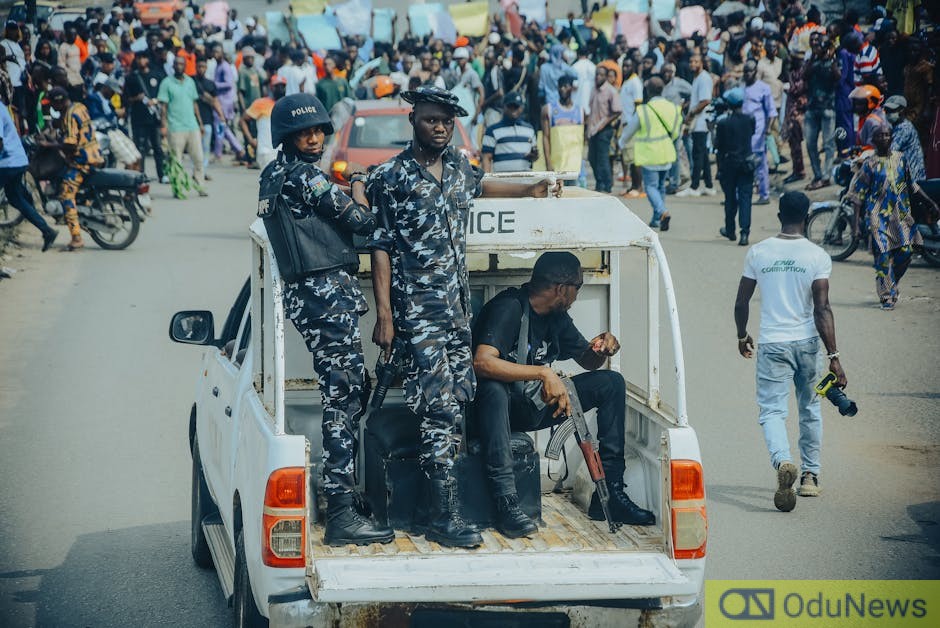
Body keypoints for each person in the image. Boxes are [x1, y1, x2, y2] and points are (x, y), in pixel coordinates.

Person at [366, 86, 561, 548]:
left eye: (447, 121)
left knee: (456, 407)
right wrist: (386, 317)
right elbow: (380, 249)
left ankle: (430, 509)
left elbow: (483, 185)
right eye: (432, 119)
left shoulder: (456, 166)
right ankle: (442, 516)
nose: (440, 127)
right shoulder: (392, 177)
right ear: (413, 119)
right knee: (439, 412)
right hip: (419, 316)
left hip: (456, 313)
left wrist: (528, 190)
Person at [257, 92, 393, 546]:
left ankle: (343, 497)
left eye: (318, 130)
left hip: (311, 298)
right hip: (325, 299)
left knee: (347, 392)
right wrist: (356, 186)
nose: (314, 138)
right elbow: (359, 220)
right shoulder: (304, 179)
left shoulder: (274, 175)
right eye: (304, 132)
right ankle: (340, 510)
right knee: (344, 397)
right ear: (287, 137)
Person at [471, 252, 656, 538]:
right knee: (493, 389)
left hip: (534, 404)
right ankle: (505, 501)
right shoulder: (509, 307)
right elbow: (482, 362)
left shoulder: (557, 318)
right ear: (561, 289)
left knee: (611, 383)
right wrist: (544, 373)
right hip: (494, 413)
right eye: (577, 288)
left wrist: (602, 347)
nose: (576, 296)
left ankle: (610, 493)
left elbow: (587, 361)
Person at [734, 191, 846, 511]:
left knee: (772, 411)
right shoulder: (817, 256)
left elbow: (742, 302)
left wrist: (742, 335)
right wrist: (834, 357)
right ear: (807, 216)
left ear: (779, 214)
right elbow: (822, 309)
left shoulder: (759, 252)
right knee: (810, 409)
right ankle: (810, 476)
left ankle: (783, 462)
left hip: (772, 343)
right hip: (807, 344)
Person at [847, 125, 937, 309]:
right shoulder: (869, 164)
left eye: (887, 135)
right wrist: (855, 226)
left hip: (901, 215)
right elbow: (857, 197)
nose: (884, 138)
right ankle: (887, 295)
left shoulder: (901, 159)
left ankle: (890, 281)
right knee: (883, 256)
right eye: (880, 135)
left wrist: (931, 203)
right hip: (877, 217)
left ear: (891, 137)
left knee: (906, 253)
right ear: (874, 140)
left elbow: (912, 186)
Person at [41, 87, 104, 251]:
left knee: (66, 194)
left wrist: (49, 144)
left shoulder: (69, 115)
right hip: (94, 154)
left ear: (60, 101)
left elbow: (70, 143)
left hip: (82, 160)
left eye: (53, 104)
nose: (52, 108)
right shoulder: (79, 107)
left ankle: (76, 237)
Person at [618, 77, 682, 230]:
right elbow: (677, 129)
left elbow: (629, 131)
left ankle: (662, 211)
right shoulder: (672, 107)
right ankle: (656, 219)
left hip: (649, 155)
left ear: (648, 91)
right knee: (660, 186)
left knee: (651, 187)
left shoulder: (644, 110)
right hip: (666, 153)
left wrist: (621, 143)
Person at [0, 105, 58, 250]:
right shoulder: (2, 107)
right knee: (15, 198)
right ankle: (47, 231)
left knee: (16, 197)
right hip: (17, 160)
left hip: (7, 163)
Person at [158, 55, 206, 195]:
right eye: (176, 64)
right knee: (176, 161)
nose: (179, 66)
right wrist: (164, 126)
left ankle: (200, 186)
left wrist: (200, 123)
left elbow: (194, 103)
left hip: (192, 126)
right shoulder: (166, 83)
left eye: (181, 64)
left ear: (185, 66)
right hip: (175, 127)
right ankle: (178, 188)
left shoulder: (190, 82)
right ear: (173, 66)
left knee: (198, 158)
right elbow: (164, 107)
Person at [715, 88, 756, 246]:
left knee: (730, 199)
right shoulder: (750, 119)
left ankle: (730, 229)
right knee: (746, 198)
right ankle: (744, 233)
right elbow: (751, 134)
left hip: (729, 164)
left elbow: (719, 146)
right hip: (746, 162)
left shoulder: (723, 122)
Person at [802, 35, 840, 191]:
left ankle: (826, 176)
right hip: (812, 108)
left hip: (828, 108)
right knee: (810, 143)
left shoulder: (832, 61)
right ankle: (818, 174)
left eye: (820, 44)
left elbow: (838, 77)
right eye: (815, 44)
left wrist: (831, 59)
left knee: (828, 144)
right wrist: (813, 56)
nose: (817, 46)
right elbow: (805, 75)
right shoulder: (811, 61)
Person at [124, 54, 167, 182]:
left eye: (144, 58)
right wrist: (136, 98)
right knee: (140, 148)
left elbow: (164, 96)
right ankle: (141, 175)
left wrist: (156, 101)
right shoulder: (132, 78)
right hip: (139, 118)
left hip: (154, 118)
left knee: (157, 148)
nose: (142, 61)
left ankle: (162, 174)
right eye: (139, 58)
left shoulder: (157, 75)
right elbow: (126, 99)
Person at [677, 54, 715, 197]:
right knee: (703, 154)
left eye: (696, 61)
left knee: (697, 154)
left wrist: (691, 114)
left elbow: (705, 100)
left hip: (700, 121)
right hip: (698, 121)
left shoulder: (704, 78)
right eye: (691, 61)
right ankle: (709, 186)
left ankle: (694, 186)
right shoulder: (697, 77)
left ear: (701, 63)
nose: (692, 64)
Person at [742, 59, 774, 205]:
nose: (747, 74)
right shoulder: (740, 87)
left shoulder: (763, 88)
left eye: (750, 71)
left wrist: (767, 130)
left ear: (755, 72)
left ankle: (764, 194)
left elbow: (771, 112)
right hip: (742, 132)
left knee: (760, 165)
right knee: (742, 164)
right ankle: (742, 195)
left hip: (758, 132)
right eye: (745, 71)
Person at [482, 91, 537, 173]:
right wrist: (485, 181)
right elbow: (486, 158)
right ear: (503, 107)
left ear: (522, 108)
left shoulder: (530, 130)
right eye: (510, 106)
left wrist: (534, 156)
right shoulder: (492, 131)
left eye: (516, 106)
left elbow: (534, 156)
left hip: (526, 180)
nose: (513, 109)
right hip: (502, 181)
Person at [240, 74, 287, 170]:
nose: (280, 89)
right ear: (271, 87)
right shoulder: (261, 103)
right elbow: (242, 121)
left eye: (282, 86)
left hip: (283, 152)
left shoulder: (286, 104)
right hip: (266, 152)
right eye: (277, 86)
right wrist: (250, 140)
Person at [586, 66, 621, 193]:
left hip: (604, 129)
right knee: (592, 158)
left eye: (601, 75)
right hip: (593, 129)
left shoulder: (611, 91)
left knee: (602, 158)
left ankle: (606, 184)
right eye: (596, 74)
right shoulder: (594, 89)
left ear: (606, 77)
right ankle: (600, 181)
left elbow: (617, 111)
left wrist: (604, 123)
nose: (597, 77)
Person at [541, 75, 583, 175]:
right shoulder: (549, 109)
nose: (562, 89)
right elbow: (546, 137)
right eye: (560, 86)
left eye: (565, 86)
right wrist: (548, 163)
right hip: (557, 166)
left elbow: (581, 140)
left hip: (575, 166)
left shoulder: (580, 111)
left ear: (572, 88)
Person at [884, 95, 925, 182]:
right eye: (887, 111)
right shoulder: (895, 126)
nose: (888, 113)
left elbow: (891, 151)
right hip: (903, 174)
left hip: (913, 179)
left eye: (892, 110)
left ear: (901, 110)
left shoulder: (904, 128)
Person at [849, 84, 886, 149]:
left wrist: (860, 149)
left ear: (871, 103)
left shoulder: (873, 121)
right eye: (855, 104)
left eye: (859, 104)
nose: (856, 107)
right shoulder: (866, 116)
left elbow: (873, 147)